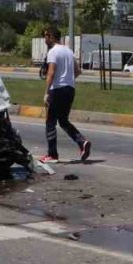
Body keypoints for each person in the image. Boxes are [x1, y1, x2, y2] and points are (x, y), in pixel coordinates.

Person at [40, 27, 92, 164]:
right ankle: (82, 142)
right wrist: (69, 81)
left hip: (57, 90)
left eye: (45, 36)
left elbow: (51, 73)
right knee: (63, 120)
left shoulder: (53, 52)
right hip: (70, 90)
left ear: (51, 37)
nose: (44, 39)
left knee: (50, 122)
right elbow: (78, 71)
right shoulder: (68, 51)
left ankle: (52, 154)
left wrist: (46, 92)